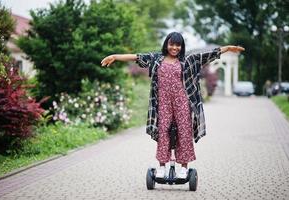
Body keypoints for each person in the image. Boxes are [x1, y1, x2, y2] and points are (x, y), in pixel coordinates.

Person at [101, 32, 244, 179]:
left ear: (181, 46)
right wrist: (115, 57)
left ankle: (184, 168)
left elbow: (209, 54)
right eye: (171, 44)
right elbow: (137, 57)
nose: (174, 47)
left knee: (184, 132)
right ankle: (162, 166)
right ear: (166, 44)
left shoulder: (188, 60)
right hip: (163, 103)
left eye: (177, 45)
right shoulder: (157, 59)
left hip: (182, 102)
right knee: (163, 133)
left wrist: (228, 48)